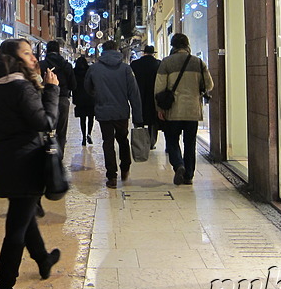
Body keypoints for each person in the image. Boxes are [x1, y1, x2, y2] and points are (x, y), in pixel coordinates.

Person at [0, 39, 61, 289]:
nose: (32, 57)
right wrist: (51, 91)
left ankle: (43, 259)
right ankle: (5, 288)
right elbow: (46, 122)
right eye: (26, 53)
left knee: (23, 215)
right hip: (27, 162)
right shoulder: (21, 86)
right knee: (16, 227)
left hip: (4, 161)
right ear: (14, 59)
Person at [155, 33, 213, 186]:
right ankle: (188, 175)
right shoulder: (198, 62)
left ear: (173, 46)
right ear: (187, 45)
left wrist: (159, 108)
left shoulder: (166, 63)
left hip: (173, 110)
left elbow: (159, 88)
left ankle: (178, 165)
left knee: (172, 141)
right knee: (190, 143)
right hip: (192, 110)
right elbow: (209, 85)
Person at [85, 40, 144, 188]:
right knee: (123, 139)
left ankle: (111, 176)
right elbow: (134, 93)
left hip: (103, 111)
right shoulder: (126, 69)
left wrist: (97, 96)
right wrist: (138, 117)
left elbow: (87, 87)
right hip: (121, 111)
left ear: (103, 51)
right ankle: (125, 167)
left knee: (108, 143)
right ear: (117, 50)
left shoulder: (94, 69)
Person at [39, 41, 76, 155]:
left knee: (45, 129)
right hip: (62, 99)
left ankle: (46, 156)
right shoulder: (66, 65)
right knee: (61, 131)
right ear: (59, 50)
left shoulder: (41, 65)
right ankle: (59, 158)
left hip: (45, 100)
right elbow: (73, 85)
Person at [130, 45, 162, 150]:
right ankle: (152, 142)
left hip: (139, 95)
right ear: (153, 53)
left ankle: (140, 141)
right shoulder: (158, 64)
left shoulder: (135, 64)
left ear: (144, 53)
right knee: (153, 120)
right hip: (153, 96)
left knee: (139, 118)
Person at [72, 56, 95, 146]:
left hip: (79, 99)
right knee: (90, 117)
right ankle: (89, 133)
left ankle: (83, 138)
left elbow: (73, 85)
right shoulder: (89, 71)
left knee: (82, 119)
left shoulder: (74, 72)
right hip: (90, 97)